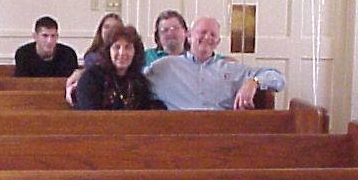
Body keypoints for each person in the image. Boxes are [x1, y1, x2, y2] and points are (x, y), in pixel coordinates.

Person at [144, 16, 285, 110]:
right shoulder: (165, 67)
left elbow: (279, 79)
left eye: (213, 34)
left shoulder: (231, 68)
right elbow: (136, 82)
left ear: (218, 42)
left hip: (222, 133)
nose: (207, 37)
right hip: (181, 133)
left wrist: (254, 82)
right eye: (202, 32)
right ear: (189, 36)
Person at [75, 25, 164, 110]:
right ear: (108, 51)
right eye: (117, 47)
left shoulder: (139, 81)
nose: (122, 53)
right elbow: (90, 115)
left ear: (135, 52)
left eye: (128, 47)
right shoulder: (91, 77)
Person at [66, 12, 122, 104]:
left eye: (115, 27)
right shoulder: (92, 56)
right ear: (100, 31)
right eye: (107, 27)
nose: (111, 31)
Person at [14, 16, 79, 77]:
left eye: (53, 36)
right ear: (35, 36)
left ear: (57, 36)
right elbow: (21, 82)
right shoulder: (23, 54)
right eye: (45, 36)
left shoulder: (68, 54)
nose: (49, 41)